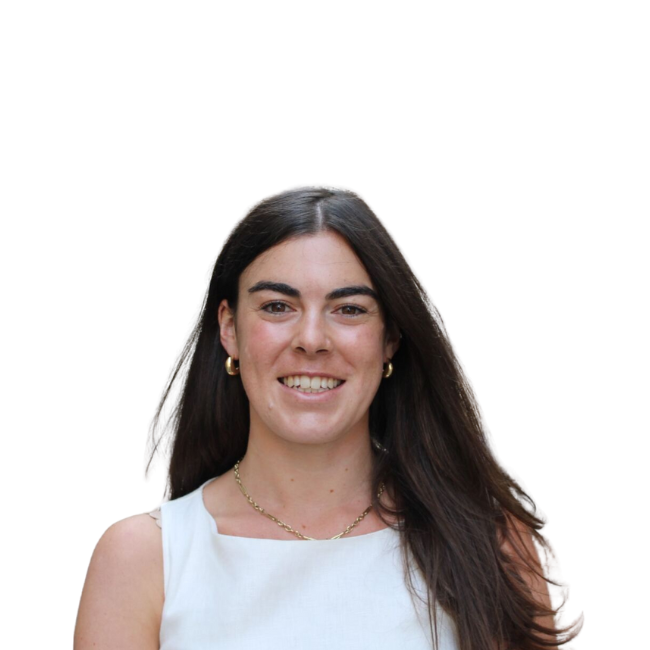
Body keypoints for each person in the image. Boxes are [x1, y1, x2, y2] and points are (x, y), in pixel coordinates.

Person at [73, 183, 585, 649]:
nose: (312, 340)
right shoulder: (144, 558)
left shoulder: (492, 546)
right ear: (229, 328)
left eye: (349, 309)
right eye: (277, 306)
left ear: (390, 338)